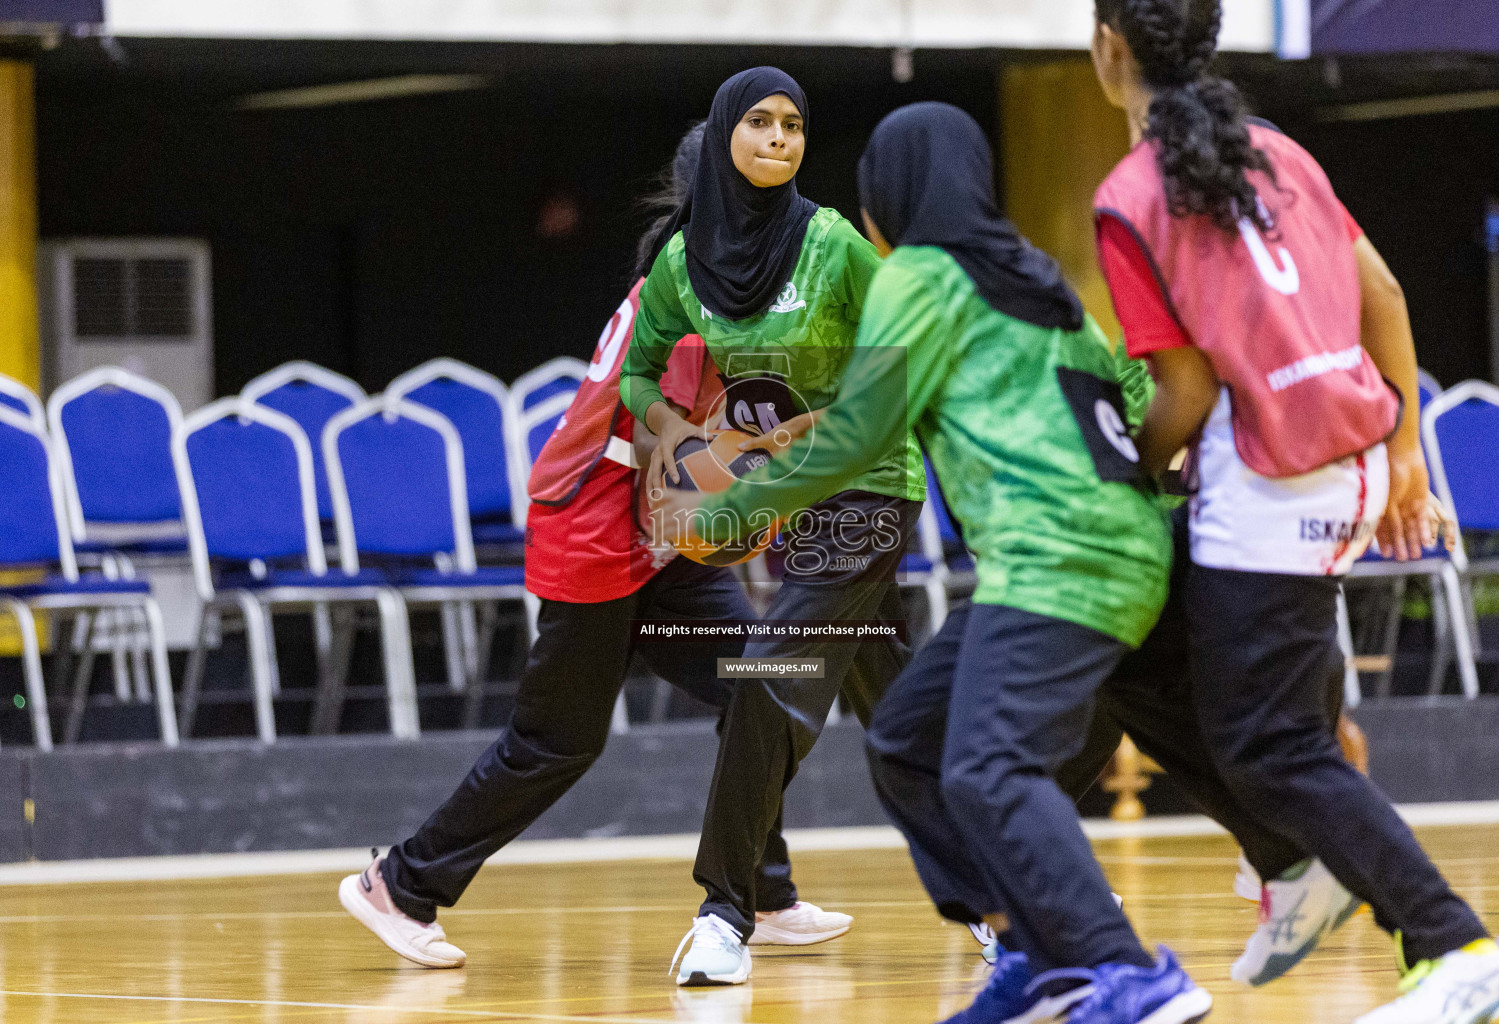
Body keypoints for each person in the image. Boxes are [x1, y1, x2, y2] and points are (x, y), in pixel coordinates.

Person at [659, 101, 1212, 1024]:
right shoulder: (1040, 280)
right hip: (1128, 546)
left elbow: (851, 438)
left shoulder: (907, 272)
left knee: (969, 760)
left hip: (1030, 552)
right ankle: (1048, 943)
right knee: (918, 735)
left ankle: (1111, 961)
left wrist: (732, 510)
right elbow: (1129, 395)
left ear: (890, 197)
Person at [1088, 1, 1499, 1020]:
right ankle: (1301, 865)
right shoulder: (1281, 150)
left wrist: (1114, 474)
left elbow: (1188, 394)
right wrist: (1407, 441)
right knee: (1136, 640)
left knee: (1274, 745)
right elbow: (1381, 286)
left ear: (1108, 47)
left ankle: (1454, 941)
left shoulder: (1129, 194)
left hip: (1269, 472)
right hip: (1346, 449)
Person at [335, 124, 849, 969]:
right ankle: (400, 884)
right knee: (556, 742)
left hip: (659, 533)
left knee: (758, 688)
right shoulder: (692, 292)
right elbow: (673, 466)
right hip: (602, 526)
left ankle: (761, 890)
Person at [620, 66, 926, 986]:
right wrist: (685, 437)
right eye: (759, 123)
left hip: (863, 491)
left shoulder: (834, 248)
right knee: (906, 715)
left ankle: (725, 912)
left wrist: (771, 478)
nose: (780, 139)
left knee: (767, 675)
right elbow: (639, 374)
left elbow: (897, 370)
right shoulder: (681, 264)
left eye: (794, 125)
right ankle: (1032, 883)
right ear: (724, 138)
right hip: (784, 501)